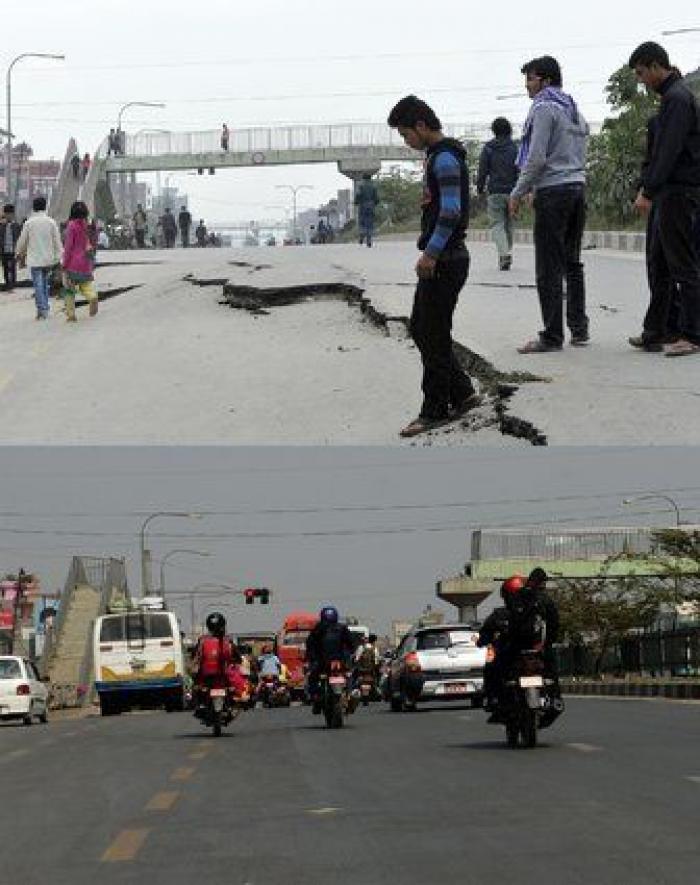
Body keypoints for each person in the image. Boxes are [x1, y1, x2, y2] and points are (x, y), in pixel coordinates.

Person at [388, 95, 481, 438]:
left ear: (421, 126)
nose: (406, 141)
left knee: (432, 334)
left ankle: (434, 410)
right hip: (446, 258)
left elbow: (451, 211)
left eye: (405, 134)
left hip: (446, 260)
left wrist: (431, 253)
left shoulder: (443, 159)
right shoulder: (439, 155)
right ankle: (463, 392)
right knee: (424, 329)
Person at [509, 56, 591, 354]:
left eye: (530, 79)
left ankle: (552, 336)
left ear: (544, 80)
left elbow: (537, 157)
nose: (527, 87)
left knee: (548, 267)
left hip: (554, 193)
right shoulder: (574, 111)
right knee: (572, 261)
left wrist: (518, 191)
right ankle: (579, 328)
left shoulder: (544, 108)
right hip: (577, 189)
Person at [628, 42, 700, 358]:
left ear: (656, 66)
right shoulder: (669, 100)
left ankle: (693, 334)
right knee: (659, 264)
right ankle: (658, 330)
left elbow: (669, 151)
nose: (642, 80)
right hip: (667, 193)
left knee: (683, 264)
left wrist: (649, 190)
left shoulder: (678, 99)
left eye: (642, 73)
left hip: (679, 192)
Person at [477, 117, 519, 270]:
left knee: (497, 224)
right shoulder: (515, 148)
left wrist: (480, 188)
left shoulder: (488, 148)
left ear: (494, 131)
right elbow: (520, 170)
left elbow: (482, 171)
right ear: (509, 129)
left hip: (495, 191)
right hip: (513, 192)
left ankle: (504, 253)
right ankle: (506, 252)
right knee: (509, 224)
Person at [15, 196, 62, 320]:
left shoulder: (29, 223)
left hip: (35, 260)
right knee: (45, 283)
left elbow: (22, 241)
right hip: (48, 259)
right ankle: (45, 307)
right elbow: (57, 241)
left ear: (34, 207)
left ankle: (42, 309)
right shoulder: (51, 222)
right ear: (45, 206)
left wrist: (18, 253)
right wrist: (58, 257)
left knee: (38, 285)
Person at [305, 606, 356, 714]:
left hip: (323, 663)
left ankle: (315, 698)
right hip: (340, 662)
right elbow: (351, 645)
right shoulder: (342, 628)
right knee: (349, 675)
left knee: (312, 678)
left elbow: (310, 646)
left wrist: (311, 658)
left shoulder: (317, 629)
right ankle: (349, 695)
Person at [192, 612, 247, 705]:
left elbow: (195, 656)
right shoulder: (228, 641)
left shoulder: (202, 640)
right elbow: (237, 657)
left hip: (206, 674)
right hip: (223, 674)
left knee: (196, 685)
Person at [61, 201, 99, 322]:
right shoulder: (86, 225)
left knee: (69, 289)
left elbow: (68, 247)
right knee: (86, 286)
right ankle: (92, 297)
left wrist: (64, 264)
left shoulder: (71, 226)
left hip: (73, 264)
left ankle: (71, 315)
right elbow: (93, 242)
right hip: (86, 263)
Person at [0, 204, 22, 291]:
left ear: (13, 214)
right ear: (4, 214)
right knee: (5, 267)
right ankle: (7, 283)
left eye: (10, 214)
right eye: (6, 214)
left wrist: (19, 250)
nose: (8, 216)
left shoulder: (16, 225)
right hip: (4, 250)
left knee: (12, 267)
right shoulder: (1, 226)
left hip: (13, 250)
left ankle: (13, 283)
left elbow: (19, 237)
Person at [354, 173, 379, 247]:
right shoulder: (373, 187)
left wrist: (356, 202)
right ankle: (369, 239)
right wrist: (374, 203)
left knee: (362, 222)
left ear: (363, 178)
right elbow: (377, 198)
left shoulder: (361, 186)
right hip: (371, 206)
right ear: (370, 178)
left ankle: (362, 235)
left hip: (363, 206)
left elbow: (358, 195)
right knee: (370, 223)